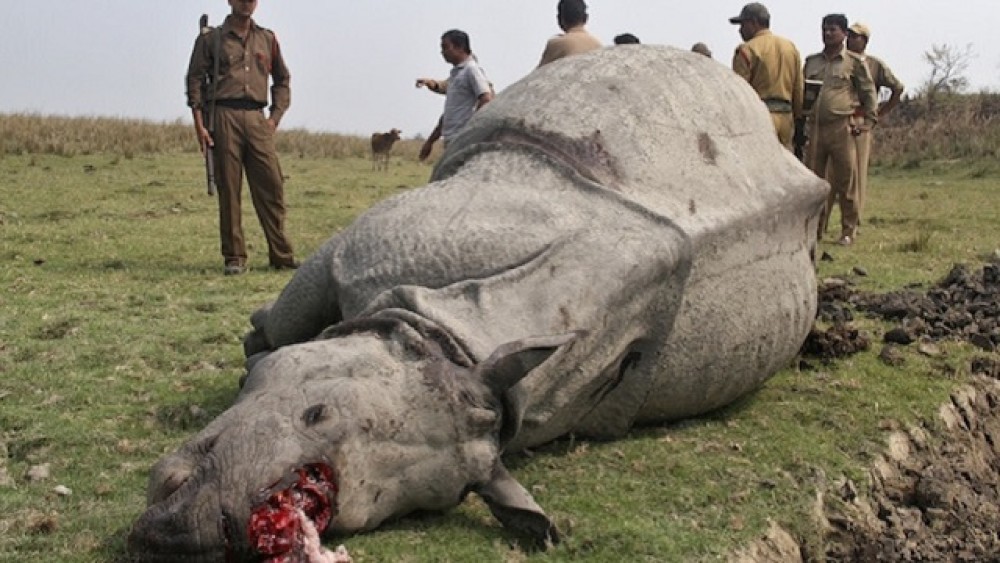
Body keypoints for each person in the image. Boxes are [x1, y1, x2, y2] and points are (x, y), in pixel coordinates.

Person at [185, 0, 297, 275]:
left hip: (257, 118)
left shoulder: (267, 38)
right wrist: (199, 126)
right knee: (229, 189)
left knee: (272, 186)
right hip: (223, 115)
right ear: (230, 1)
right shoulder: (211, 39)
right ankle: (234, 257)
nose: (247, 3)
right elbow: (195, 82)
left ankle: (281, 256)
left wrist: (274, 118)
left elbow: (282, 80)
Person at [803, 14, 878, 246]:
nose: (827, 34)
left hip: (841, 128)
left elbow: (868, 94)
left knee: (846, 181)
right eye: (824, 29)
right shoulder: (812, 62)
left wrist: (868, 122)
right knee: (815, 182)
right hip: (815, 129)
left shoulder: (854, 63)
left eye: (832, 30)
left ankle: (848, 230)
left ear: (844, 34)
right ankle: (814, 229)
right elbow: (802, 92)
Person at [846, 22, 905, 222]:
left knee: (858, 169)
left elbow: (897, 88)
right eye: (849, 35)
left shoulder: (874, 65)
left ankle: (856, 216)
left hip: (861, 118)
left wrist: (880, 113)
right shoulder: (838, 61)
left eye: (855, 36)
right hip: (838, 118)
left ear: (864, 40)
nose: (850, 39)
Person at [729, 3, 803, 151]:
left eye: (743, 24)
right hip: (786, 119)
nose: (739, 30)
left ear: (753, 23)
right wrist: (797, 118)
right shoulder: (790, 47)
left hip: (760, 119)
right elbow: (798, 88)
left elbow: (739, 91)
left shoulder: (747, 49)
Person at [419, 30, 494, 161]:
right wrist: (430, 141)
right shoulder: (456, 75)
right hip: (451, 139)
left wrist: (470, 129)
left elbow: (486, 98)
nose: (442, 52)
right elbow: (450, 113)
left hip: (462, 139)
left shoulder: (472, 70)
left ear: (460, 47)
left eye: (445, 47)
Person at [537, 0, 603, 67]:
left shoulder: (557, 43)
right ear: (586, 18)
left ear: (559, 19)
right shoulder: (597, 45)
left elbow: (538, 74)